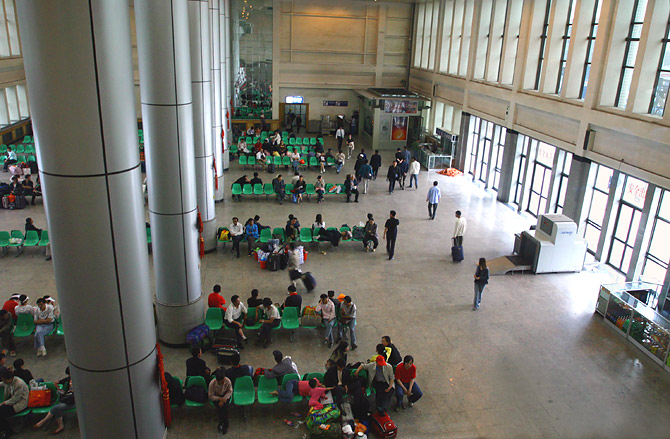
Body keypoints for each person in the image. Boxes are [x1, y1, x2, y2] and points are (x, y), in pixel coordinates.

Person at [0, 368, 28, 437]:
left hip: (20, 404)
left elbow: (15, 399)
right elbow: (2, 384)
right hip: (12, 401)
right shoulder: (7, 381)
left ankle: (8, 430)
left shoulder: (18, 384)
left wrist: (4, 403)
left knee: (1, 413)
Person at [208, 368, 232, 434]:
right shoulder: (212, 384)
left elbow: (230, 391)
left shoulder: (228, 381)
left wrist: (224, 398)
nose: (222, 383)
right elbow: (210, 396)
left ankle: (223, 422)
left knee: (224, 407)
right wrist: (219, 399)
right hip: (216, 397)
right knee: (221, 408)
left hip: (225, 396)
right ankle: (224, 422)